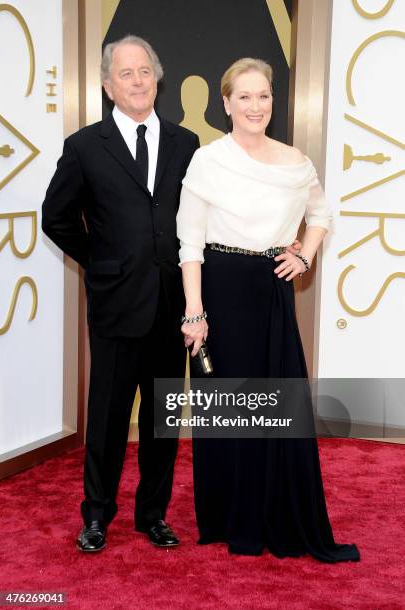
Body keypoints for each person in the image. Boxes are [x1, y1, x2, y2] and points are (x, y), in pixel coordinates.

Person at [176, 58, 360, 562]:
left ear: (272, 101)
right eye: (245, 97)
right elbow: (190, 242)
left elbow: (321, 215)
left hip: (272, 293)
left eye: (264, 96)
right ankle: (231, 518)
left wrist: (303, 253)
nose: (255, 106)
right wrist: (194, 312)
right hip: (220, 286)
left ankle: (276, 513)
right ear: (227, 103)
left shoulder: (296, 162)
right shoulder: (208, 161)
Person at [42, 35, 199, 552]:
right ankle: (96, 516)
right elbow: (56, 217)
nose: (137, 81)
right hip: (115, 305)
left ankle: (152, 514)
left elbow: (200, 221)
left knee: (161, 421)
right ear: (108, 85)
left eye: (145, 72)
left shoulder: (186, 143)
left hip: (171, 306)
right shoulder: (85, 146)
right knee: (107, 420)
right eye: (125, 73)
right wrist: (100, 261)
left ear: (158, 79)